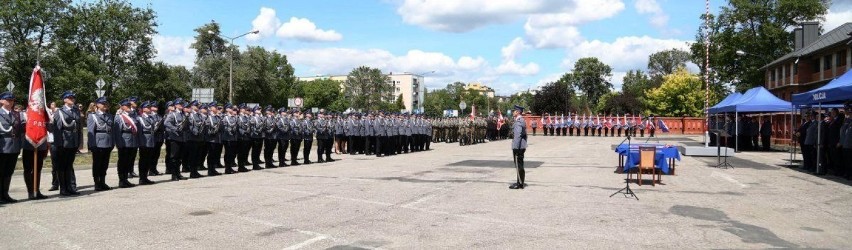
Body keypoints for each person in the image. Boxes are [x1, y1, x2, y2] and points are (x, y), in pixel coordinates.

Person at [53, 91, 81, 196]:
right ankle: (63, 188)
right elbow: (57, 129)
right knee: (62, 166)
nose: (72, 99)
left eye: (73, 98)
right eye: (69, 98)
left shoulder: (76, 111)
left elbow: (78, 128)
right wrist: (59, 144)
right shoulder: (59, 112)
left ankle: (70, 187)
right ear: (64, 100)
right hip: (64, 142)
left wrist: (78, 142)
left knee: (69, 165)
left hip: (73, 142)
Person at [21, 101, 49, 200]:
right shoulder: (23, 114)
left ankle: (36, 190)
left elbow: (49, 127)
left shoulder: (43, 114)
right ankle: (30, 192)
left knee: (38, 168)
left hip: (40, 144)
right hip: (28, 144)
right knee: (28, 169)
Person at [87, 97, 114, 191]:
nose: (105, 105)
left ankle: (103, 182)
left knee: (105, 164)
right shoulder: (93, 116)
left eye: (106, 103)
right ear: (97, 104)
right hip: (98, 143)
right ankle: (97, 183)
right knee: (97, 164)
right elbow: (90, 131)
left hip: (107, 142)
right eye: (103, 103)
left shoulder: (109, 116)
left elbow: (112, 131)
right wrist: (92, 145)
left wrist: (112, 142)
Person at [0, 92, 22, 202]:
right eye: (8, 100)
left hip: (14, 146)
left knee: (9, 171)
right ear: (2, 101)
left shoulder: (16, 114)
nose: (10, 102)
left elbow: (20, 130)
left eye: (12, 100)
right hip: (2, 146)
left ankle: (5, 194)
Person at [164, 99, 189, 181]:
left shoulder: (183, 115)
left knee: (179, 157)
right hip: (175, 138)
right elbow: (167, 123)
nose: (181, 105)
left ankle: (178, 173)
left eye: (182, 104)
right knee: (174, 157)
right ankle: (174, 174)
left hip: (182, 138)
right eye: (179, 104)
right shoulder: (172, 114)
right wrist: (175, 129)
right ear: (175, 105)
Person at [135, 101, 157, 185]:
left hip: (150, 140)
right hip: (143, 141)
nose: (149, 109)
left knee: (148, 160)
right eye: (147, 107)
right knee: (143, 160)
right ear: (143, 109)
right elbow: (139, 132)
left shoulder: (151, 118)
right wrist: (140, 142)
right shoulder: (139, 118)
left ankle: (145, 177)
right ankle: (142, 178)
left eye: (149, 107)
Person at [509, 105, 528, 190]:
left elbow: (518, 135)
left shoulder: (519, 121)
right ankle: (520, 181)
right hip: (521, 146)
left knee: (518, 165)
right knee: (519, 164)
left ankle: (519, 183)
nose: (513, 112)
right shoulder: (520, 120)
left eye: (514, 111)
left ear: (518, 112)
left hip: (519, 147)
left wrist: (515, 148)